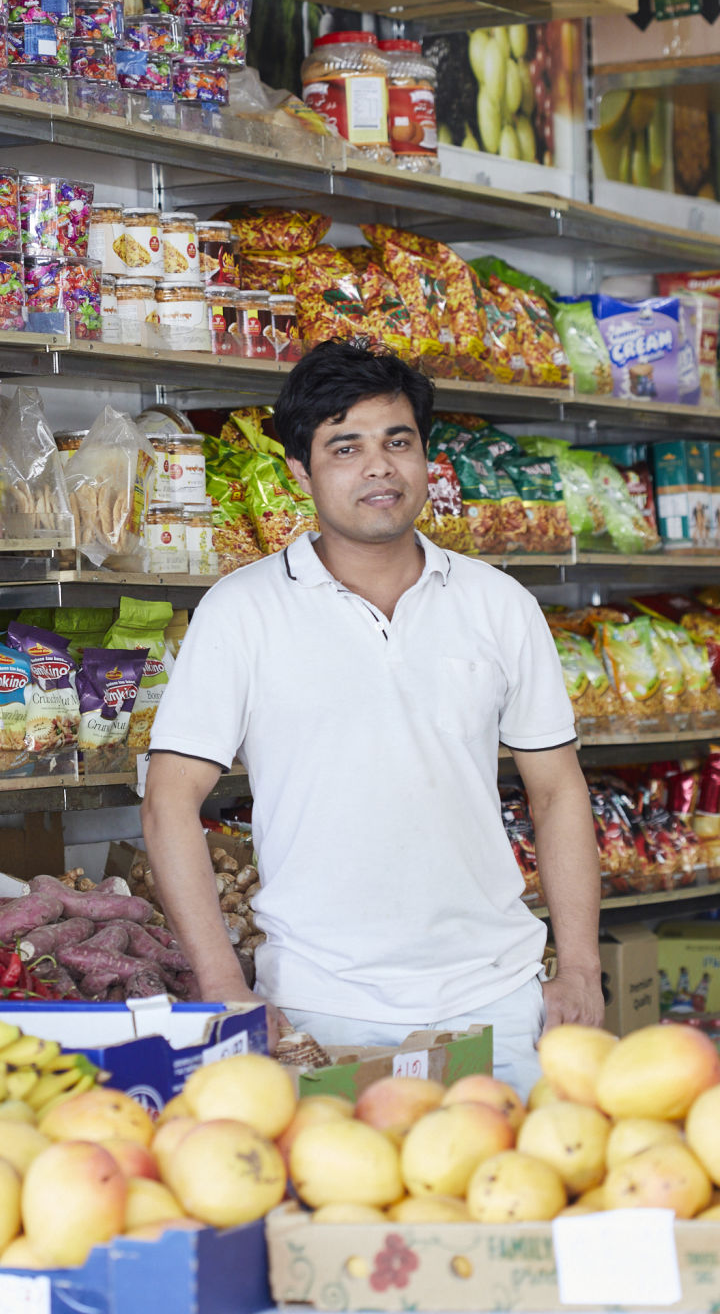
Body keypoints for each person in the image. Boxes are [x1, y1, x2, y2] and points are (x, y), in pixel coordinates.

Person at [141, 340, 603, 1096]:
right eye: (344, 447)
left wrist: (580, 967)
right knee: (338, 1200)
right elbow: (169, 801)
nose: (378, 466)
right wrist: (226, 981)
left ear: (425, 456)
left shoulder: (500, 605)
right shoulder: (242, 611)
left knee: (508, 1199)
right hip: (321, 1008)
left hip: (496, 1000)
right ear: (302, 472)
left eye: (397, 441)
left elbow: (557, 792)